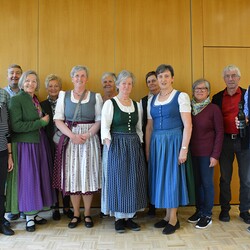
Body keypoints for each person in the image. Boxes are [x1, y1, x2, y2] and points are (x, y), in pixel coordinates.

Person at [53, 65, 102, 229]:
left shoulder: (96, 97)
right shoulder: (64, 96)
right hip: (70, 139)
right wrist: (72, 136)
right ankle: (75, 214)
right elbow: (58, 120)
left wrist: (87, 135)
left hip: (89, 140)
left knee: (87, 177)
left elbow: (99, 120)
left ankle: (87, 214)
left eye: (82, 76)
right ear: (72, 78)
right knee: (73, 178)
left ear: (86, 78)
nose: (79, 79)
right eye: (76, 76)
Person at [6, 70, 56, 232]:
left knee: (39, 178)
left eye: (34, 81)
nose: (30, 83)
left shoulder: (35, 100)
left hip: (38, 143)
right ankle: (28, 216)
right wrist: (40, 123)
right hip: (25, 145)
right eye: (27, 80)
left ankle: (34, 213)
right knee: (29, 179)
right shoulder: (16, 99)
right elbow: (16, 126)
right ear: (21, 82)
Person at [146, 64, 192, 235]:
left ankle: (174, 219)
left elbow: (188, 125)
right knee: (161, 178)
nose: (163, 80)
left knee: (171, 178)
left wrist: (184, 149)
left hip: (174, 141)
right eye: (160, 77)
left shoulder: (181, 97)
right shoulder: (152, 100)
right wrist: (149, 150)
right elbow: (149, 127)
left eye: (166, 76)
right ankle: (166, 216)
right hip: (157, 143)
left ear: (172, 78)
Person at [101, 70, 147, 233]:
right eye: (123, 83)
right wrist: (110, 147)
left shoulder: (136, 105)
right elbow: (105, 127)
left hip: (133, 144)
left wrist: (139, 144)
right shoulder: (110, 104)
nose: (126, 86)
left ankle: (130, 217)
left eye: (129, 83)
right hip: (116, 145)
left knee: (133, 180)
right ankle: (119, 219)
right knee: (119, 180)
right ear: (118, 85)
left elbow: (139, 128)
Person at [212, 65, 250, 224]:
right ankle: (225, 210)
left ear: (239, 78)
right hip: (225, 142)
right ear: (224, 79)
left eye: (234, 75)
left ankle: (244, 210)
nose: (231, 78)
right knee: (225, 178)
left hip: (245, 141)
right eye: (227, 76)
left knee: (246, 179)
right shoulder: (218, 97)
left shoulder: (248, 95)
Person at [188, 79, 224, 229]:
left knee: (207, 184)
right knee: (197, 184)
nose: (200, 91)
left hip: (207, 153)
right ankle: (199, 210)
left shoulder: (214, 109)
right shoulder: (189, 108)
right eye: (197, 88)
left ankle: (207, 214)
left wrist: (215, 155)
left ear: (208, 92)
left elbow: (220, 132)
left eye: (203, 88)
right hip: (192, 153)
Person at [40, 74, 73, 221]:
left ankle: (67, 207)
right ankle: (55, 207)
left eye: (56, 86)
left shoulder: (67, 102)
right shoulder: (41, 105)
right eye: (50, 86)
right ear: (47, 88)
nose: (53, 88)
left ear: (61, 88)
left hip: (65, 143)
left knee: (65, 174)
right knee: (52, 175)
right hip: (48, 144)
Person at [4, 64, 24, 221]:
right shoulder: (2, 94)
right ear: (7, 75)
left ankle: (23, 206)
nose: (14, 76)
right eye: (12, 73)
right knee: (10, 177)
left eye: (18, 73)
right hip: (5, 139)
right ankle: (11, 208)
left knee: (23, 176)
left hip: (22, 139)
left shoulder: (26, 93)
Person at [140, 71, 160, 216]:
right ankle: (151, 205)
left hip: (165, 140)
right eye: (149, 81)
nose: (151, 83)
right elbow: (143, 124)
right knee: (150, 174)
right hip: (148, 140)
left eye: (154, 80)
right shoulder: (143, 101)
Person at [0, 88, 14, 236]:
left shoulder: (2, 103)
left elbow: (6, 130)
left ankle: (1, 222)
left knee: (0, 191)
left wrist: (10, 154)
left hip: (2, 152)